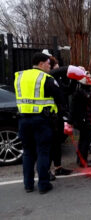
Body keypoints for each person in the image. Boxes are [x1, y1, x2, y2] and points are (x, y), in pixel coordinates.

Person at [14, 52, 68, 194]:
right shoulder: (46, 78)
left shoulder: (19, 76)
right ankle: (43, 185)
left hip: (23, 119)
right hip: (41, 120)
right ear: (41, 64)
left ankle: (28, 185)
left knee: (28, 153)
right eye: (48, 64)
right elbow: (60, 97)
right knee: (43, 152)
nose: (50, 66)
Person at [47, 56, 73, 180]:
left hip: (58, 116)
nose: (58, 67)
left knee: (57, 143)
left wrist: (74, 79)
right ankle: (46, 171)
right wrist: (72, 68)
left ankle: (58, 167)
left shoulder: (57, 79)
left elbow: (67, 90)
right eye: (55, 64)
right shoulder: (47, 78)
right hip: (48, 117)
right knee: (49, 145)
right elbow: (55, 71)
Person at [71, 74, 91, 167]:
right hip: (83, 120)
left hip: (85, 119)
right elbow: (90, 99)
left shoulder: (81, 91)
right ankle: (83, 160)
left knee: (83, 139)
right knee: (85, 140)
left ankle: (81, 159)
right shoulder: (82, 92)